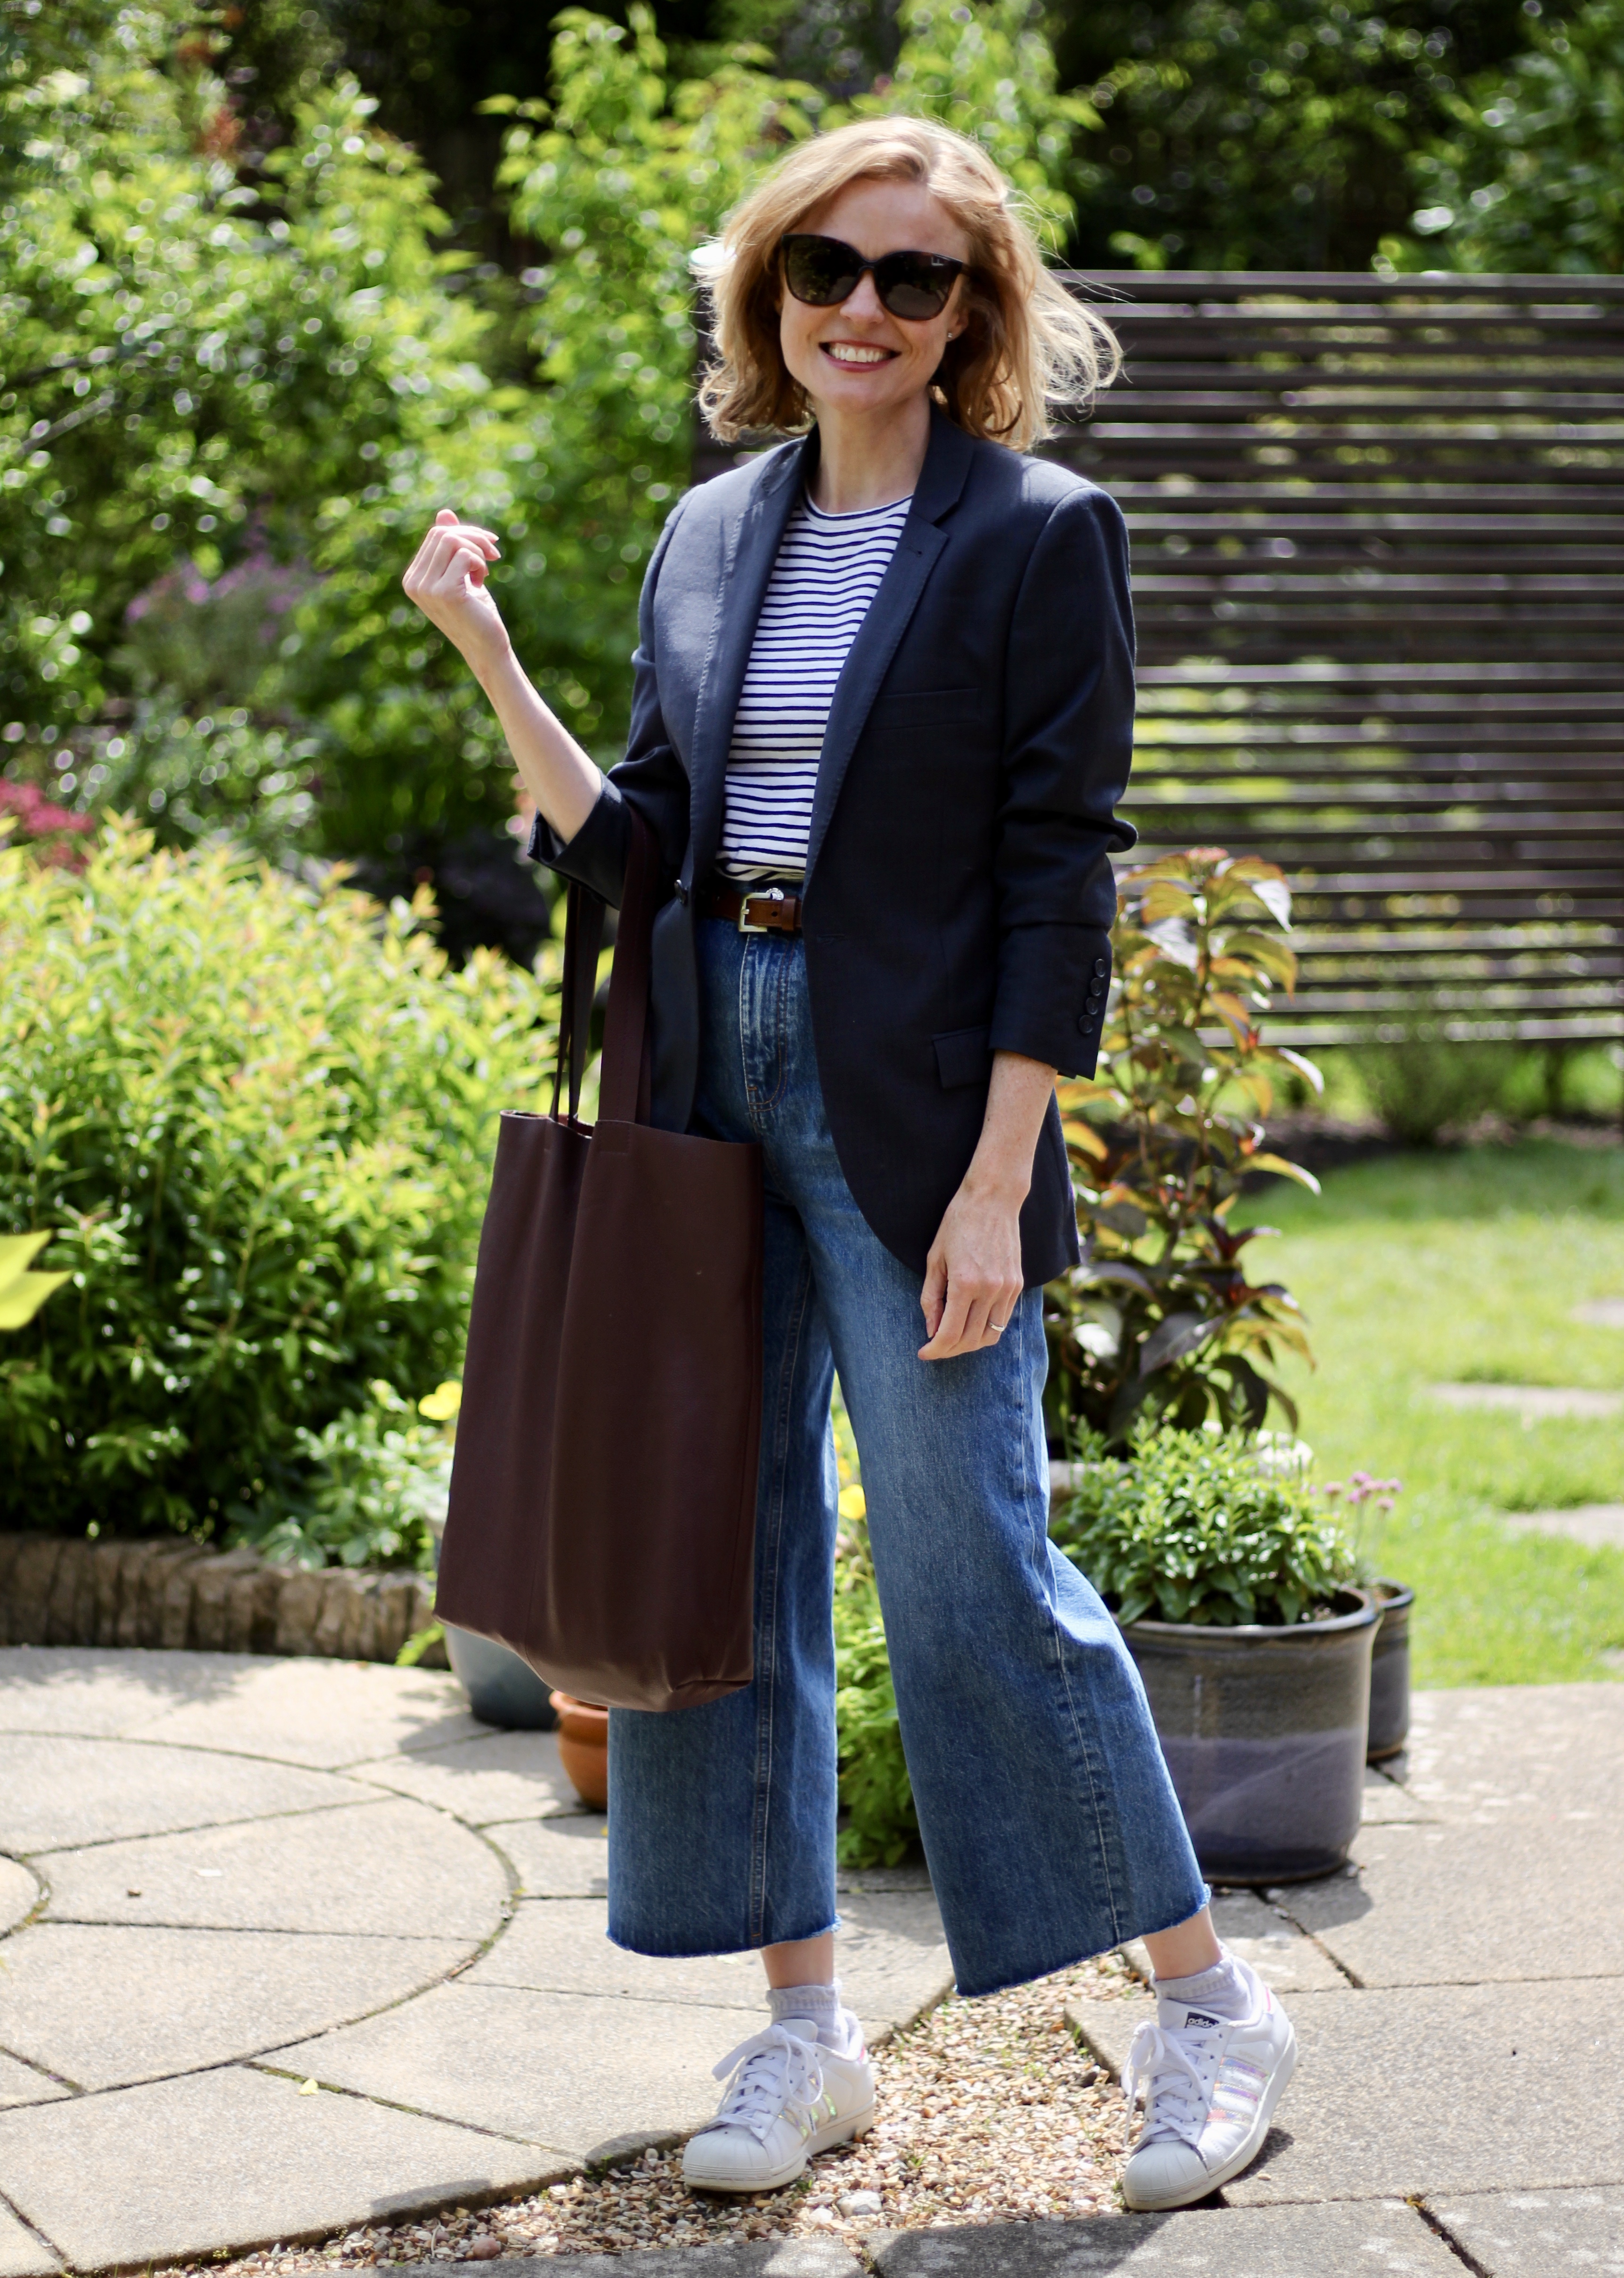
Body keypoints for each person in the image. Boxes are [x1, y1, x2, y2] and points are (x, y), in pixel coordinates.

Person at [402, 113, 1295, 2214]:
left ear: (976, 314)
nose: (866, 309)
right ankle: (807, 2032)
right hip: (715, 1079)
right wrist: (487, 659)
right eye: (828, 268)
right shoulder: (709, 534)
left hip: (917, 1114)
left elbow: (1057, 878)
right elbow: (638, 846)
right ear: (767, 296)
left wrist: (996, 1183)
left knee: (974, 1563)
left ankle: (1206, 2003)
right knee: (736, 1572)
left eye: (918, 277)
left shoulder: (1036, 532)